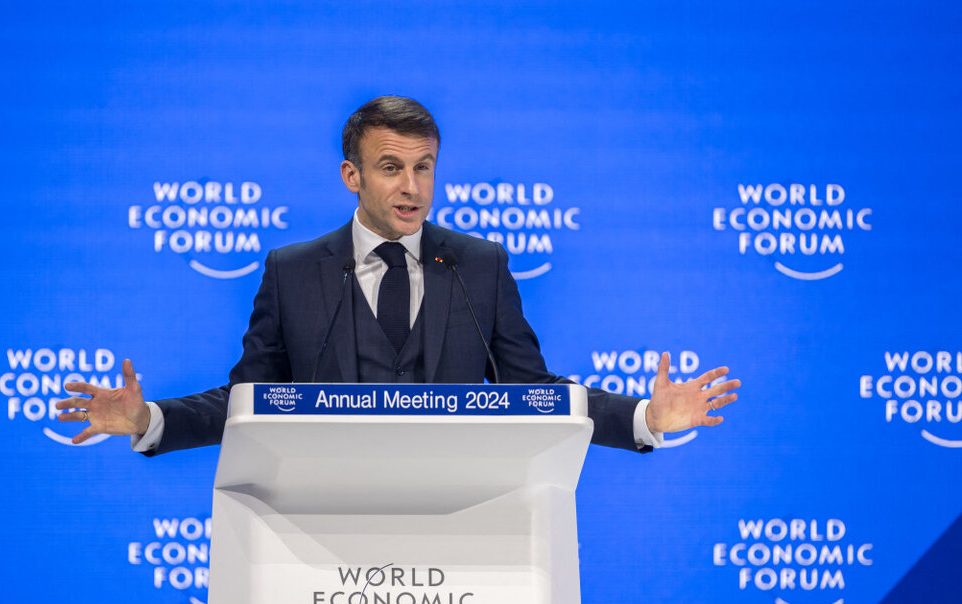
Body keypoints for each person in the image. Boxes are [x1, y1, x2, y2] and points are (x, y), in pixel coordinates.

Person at [55, 96, 739, 454]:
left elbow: (533, 393)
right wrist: (151, 420)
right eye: (391, 167)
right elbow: (248, 400)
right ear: (351, 175)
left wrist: (646, 417)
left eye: (424, 166)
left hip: (457, 524)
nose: (412, 186)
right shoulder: (293, 273)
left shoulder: (478, 265)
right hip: (322, 529)